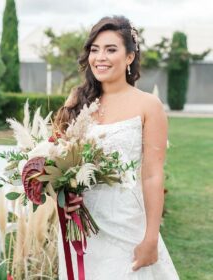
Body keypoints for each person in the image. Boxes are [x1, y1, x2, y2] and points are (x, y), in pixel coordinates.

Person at [54, 15, 180, 280]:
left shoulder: (148, 105)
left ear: (130, 57)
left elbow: (153, 175)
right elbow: (61, 159)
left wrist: (151, 238)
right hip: (81, 223)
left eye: (111, 49)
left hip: (127, 224)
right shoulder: (77, 99)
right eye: (95, 49)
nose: (100, 57)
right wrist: (65, 195)